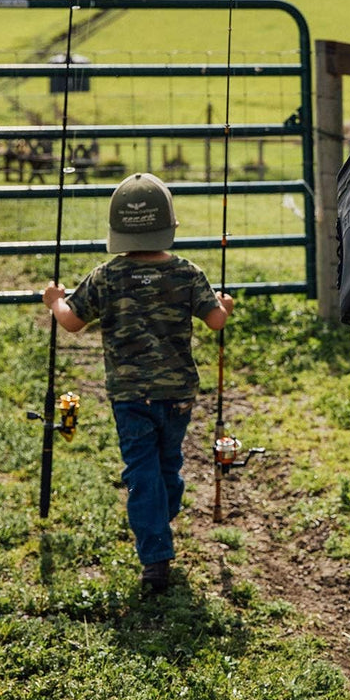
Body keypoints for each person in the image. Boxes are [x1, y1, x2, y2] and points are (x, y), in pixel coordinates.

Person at [43, 172, 233, 595]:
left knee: (142, 472)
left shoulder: (107, 276)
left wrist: (56, 300)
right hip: (178, 394)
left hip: (130, 398)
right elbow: (216, 321)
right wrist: (224, 305)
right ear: (170, 225)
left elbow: (72, 322)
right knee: (169, 466)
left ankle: (155, 557)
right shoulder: (187, 273)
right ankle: (159, 526)